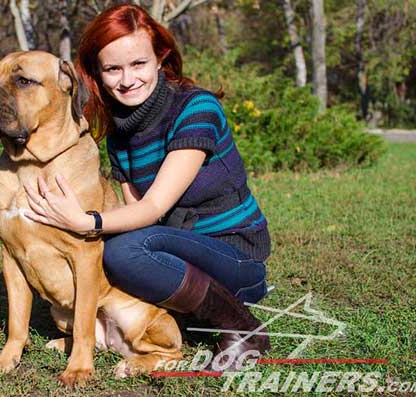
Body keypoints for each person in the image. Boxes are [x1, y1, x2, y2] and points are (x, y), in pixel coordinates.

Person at [24, 4, 271, 368]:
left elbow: (153, 208)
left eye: (138, 64)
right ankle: (130, 327)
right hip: (176, 254)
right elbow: (136, 216)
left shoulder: (195, 108)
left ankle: (242, 325)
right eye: (112, 68)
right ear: (97, 73)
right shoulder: (119, 133)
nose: (127, 79)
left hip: (234, 256)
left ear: (160, 58)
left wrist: (85, 222)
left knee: (122, 252)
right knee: (112, 252)